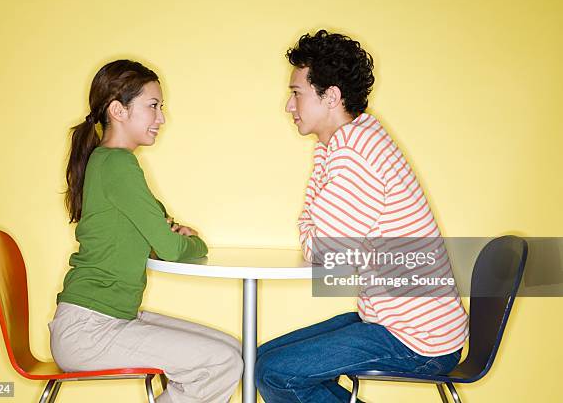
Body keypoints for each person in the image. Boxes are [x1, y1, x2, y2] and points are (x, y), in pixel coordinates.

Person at [255, 30, 469, 403]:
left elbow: (322, 251)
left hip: (417, 339)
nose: (289, 107)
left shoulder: (356, 156)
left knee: (274, 371)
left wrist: (313, 231)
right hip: (392, 322)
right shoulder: (348, 141)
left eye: (296, 94)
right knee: (261, 360)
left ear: (331, 96)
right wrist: (313, 228)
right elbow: (314, 225)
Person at [48, 59, 243, 403]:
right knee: (222, 362)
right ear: (117, 111)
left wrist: (168, 233)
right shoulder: (117, 163)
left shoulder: (109, 162)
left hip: (107, 319)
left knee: (232, 351)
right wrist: (194, 242)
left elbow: (158, 227)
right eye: (153, 106)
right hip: (90, 329)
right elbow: (170, 246)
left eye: (161, 107)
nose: (161, 118)